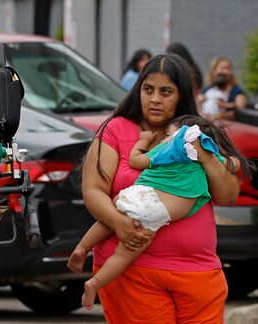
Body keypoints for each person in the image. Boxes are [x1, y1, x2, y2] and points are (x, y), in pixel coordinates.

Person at [76, 53, 242, 323]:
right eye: (148, 89)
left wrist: (203, 153)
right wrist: (119, 223)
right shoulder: (117, 129)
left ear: (181, 95)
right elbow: (93, 190)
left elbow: (227, 195)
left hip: (199, 274)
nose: (155, 99)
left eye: (166, 92)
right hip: (132, 271)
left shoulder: (195, 132)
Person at [68, 114, 252, 310]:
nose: (165, 138)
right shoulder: (202, 151)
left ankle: (81, 248)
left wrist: (143, 141)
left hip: (136, 193)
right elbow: (233, 165)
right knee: (123, 256)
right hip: (156, 210)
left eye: (168, 134)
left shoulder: (163, 151)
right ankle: (94, 283)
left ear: (180, 133)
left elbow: (135, 160)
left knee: (109, 221)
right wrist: (227, 160)